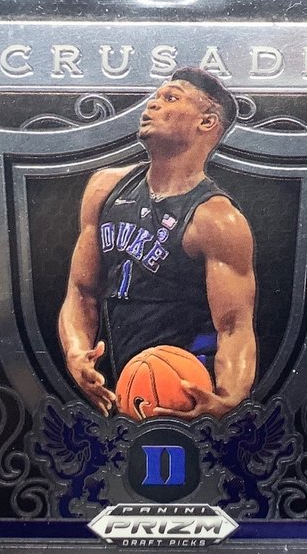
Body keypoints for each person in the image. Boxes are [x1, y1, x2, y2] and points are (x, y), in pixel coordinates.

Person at [58, 67, 257, 419]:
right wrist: (76, 351)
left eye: (171, 98)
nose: (152, 104)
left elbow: (234, 327)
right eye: (155, 97)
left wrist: (227, 399)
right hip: (114, 384)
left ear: (206, 122)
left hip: (180, 387)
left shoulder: (216, 219)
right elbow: (82, 291)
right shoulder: (105, 188)